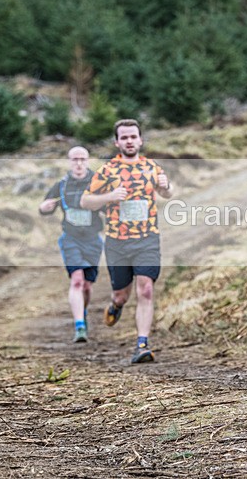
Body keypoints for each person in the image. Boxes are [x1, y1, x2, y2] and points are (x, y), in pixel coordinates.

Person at [80, 119, 173, 364]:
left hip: (147, 238)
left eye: (133, 136)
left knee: (146, 288)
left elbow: (167, 193)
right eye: (124, 137)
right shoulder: (107, 170)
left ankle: (142, 344)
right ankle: (115, 304)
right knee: (122, 294)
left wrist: (166, 187)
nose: (129, 141)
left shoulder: (152, 167)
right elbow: (85, 201)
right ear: (117, 142)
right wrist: (110, 196)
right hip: (117, 242)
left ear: (140, 140)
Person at [39, 146, 104, 343]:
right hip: (70, 239)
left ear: (88, 160)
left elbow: (111, 207)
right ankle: (80, 327)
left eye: (82, 159)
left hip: (93, 240)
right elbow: (45, 207)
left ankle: (82, 312)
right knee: (76, 279)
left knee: (86, 285)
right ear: (69, 161)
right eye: (74, 159)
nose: (78, 163)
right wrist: (44, 208)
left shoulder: (97, 184)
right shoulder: (61, 185)